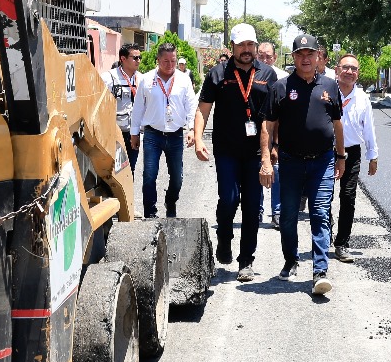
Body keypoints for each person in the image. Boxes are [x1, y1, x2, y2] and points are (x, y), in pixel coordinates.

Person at [262, 33, 345, 296]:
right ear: (294, 58)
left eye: (310, 54)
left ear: (318, 56)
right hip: (291, 162)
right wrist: (266, 158)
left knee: (320, 213)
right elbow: (269, 125)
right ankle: (290, 259)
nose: (306, 58)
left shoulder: (331, 87)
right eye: (300, 54)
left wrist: (341, 157)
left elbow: (337, 124)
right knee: (288, 216)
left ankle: (320, 270)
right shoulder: (281, 88)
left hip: (322, 162)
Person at [193, 23, 277, 282]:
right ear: (232, 47)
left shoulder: (268, 74)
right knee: (229, 199)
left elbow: (272, 118)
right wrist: (197, 139)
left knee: (253, 207)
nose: (246, 50)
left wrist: (271, 150)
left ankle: (246, 261)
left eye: (250, 45)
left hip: (255, 152)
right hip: (227, 150)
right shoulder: (218, 73)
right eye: (241, 45)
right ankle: (224, 238)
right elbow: (203, 109)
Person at [131, 42, 197, 218]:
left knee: (177, 178)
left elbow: (191, 106)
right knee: (149, 176)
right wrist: (134, 133)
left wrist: (191, 129)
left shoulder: (183, 80)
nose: (170, 65)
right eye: (166, 61)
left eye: (173, 61)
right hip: (153, 134)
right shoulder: (146, 79)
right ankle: (150, 214)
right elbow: (138, 108)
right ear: (158, 60)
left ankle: (170, 200)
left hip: (175, 135)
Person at [331, 53, 378, 263]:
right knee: (323, 198)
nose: (349, 72)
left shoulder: (363, 98)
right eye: (345, 68)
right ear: (337, 69)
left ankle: (342, 243)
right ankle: (323, 239)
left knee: (348, 197)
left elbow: (369, 128)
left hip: (352, 153)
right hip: (326, 152)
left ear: (357, 74)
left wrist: (373, 155)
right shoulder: (326, 92)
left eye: (354, 69)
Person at [257, 41, 286, 226]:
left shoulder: (283, 79)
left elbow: (282, 117)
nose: (265, 59)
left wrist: (276, 144)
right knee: (256, 171)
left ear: (275, 57)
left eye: (268, 56)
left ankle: (277, 211)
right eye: (261, 56)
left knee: (276, 171)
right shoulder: (251, 74)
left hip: (275, 134)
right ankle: (257, 210)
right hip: (254, 133)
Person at [108, 43, 142, 172]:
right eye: (135, 57)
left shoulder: (142, 79)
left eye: (140, 57)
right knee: (115, 171)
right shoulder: (109, 78)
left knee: (130, 169)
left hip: (134, 133)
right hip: (115, 134)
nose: (138, 61)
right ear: (123, 59)